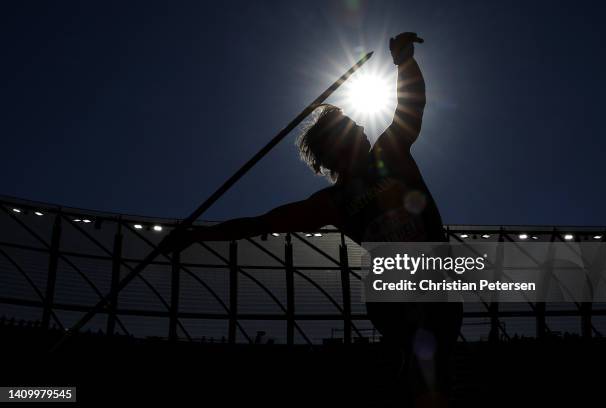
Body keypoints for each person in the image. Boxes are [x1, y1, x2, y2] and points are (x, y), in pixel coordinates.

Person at [163, 32, 463, 405]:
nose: (361, 127)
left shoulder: (392, 152)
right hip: (397, 296)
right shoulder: (331, 203)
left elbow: (412, 106)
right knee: (425, 365)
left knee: (437, 366)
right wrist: (195, 236)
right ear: (337, 147)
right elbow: (261, 223)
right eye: (352, 128)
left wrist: (404, 62)